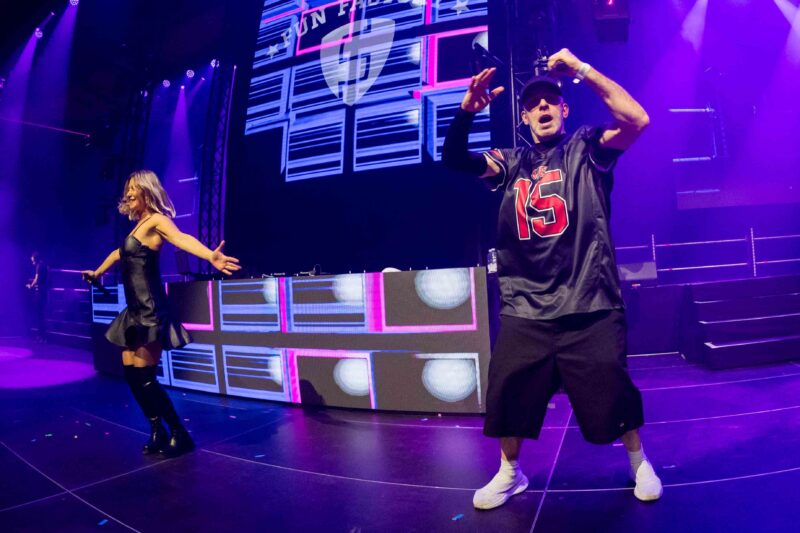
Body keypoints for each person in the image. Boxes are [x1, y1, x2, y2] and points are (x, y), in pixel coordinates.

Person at [443, 49, 663, 508]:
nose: (541, 106)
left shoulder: (587, 147)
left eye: (549, 101)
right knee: (508, 391)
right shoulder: (510, 163)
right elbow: (455, 160)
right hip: (527, 304)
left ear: (564, 109)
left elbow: (637, 119)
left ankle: (638, 461)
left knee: (612, 386)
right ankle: (510, 472)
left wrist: (582, 70)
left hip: (589, 297)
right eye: (533, 104)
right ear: (524, 118)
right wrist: (466, 112)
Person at [82, 170, 241, 457]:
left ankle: (180, 433)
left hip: (151, 310)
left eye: (134, 188)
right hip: (134, 311)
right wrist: (97, 272)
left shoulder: (157, 220)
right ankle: (157, 430)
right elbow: (119, 254)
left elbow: (181, 238)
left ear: (147, 190)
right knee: (132, 376)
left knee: (146, 377)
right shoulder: (137, 227)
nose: (129, 193)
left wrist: (210, 255)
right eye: (127, 188)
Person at [26, 251, 49, 343]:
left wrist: (30, 286)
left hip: (40, 293)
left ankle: (41, 336)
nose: (32, 263)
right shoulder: (44, 265)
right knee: (41, 314)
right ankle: (42, 336)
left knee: (40, 315)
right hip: (43, 292)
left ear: (36, 259)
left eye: (33, 261)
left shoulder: (39, 266)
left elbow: (37, 279)